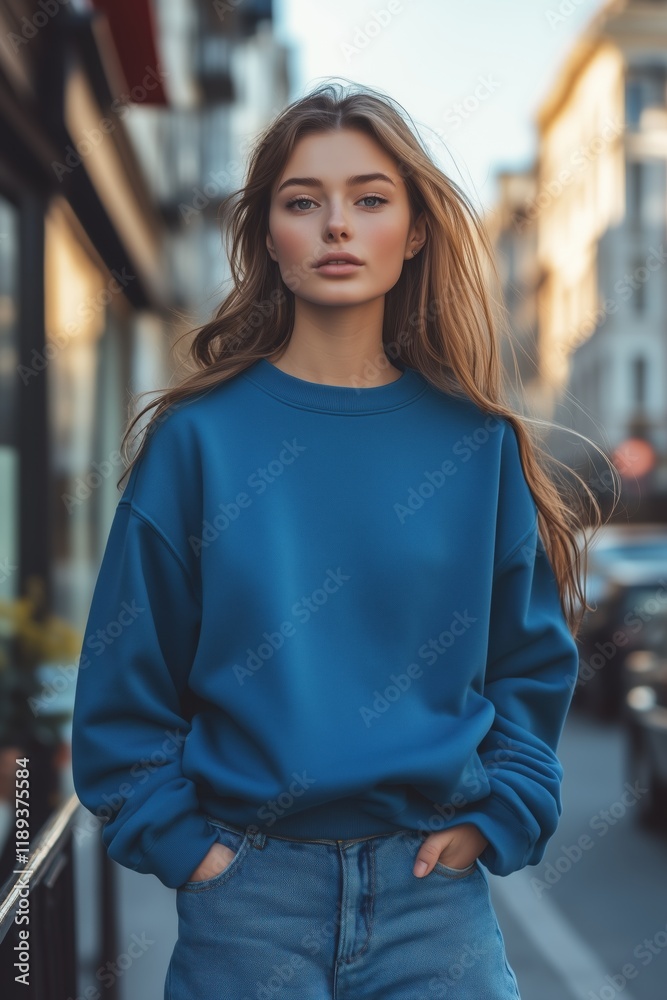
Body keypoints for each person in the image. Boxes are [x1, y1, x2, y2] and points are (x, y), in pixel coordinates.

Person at [71, 80, 614, 999]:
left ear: (411, 234)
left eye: (368, 199)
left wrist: (495, 817)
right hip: (247, 907)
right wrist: (195, 854)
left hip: (431, 905)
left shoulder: (474, 447)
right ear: (267, 238)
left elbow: (530, 667)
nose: (335, 226)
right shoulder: (195, 443)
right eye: (301, 201)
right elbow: (124, 694)